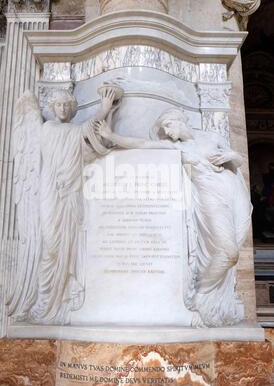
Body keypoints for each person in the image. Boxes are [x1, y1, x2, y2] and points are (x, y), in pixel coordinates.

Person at [94, 107, 251, 327]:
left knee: (237, 241)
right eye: (164, 128)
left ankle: (209, 297)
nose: (167, 132)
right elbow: (142, 144)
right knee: (229, 253)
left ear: (179, 121)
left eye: (168, 125)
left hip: (234, 195)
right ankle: (202, 294)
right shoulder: (174, 147)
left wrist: (231, 155)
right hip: (211, 200)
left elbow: (238, 161)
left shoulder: (212, 137)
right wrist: (112, 136)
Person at [9, 87, 119, 324]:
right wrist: (103, 109)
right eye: (58, 105)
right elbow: (86, 131)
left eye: (66, 106)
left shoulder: (73, 131)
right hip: (50, 192)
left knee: (67, 245)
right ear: (52, 108)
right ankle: (44, 299)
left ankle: (61, 297)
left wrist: (108, 113)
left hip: (70, 193)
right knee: (50, 245)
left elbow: (93, 143)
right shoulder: (47, 129)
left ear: (71, 110)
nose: (62, 109)